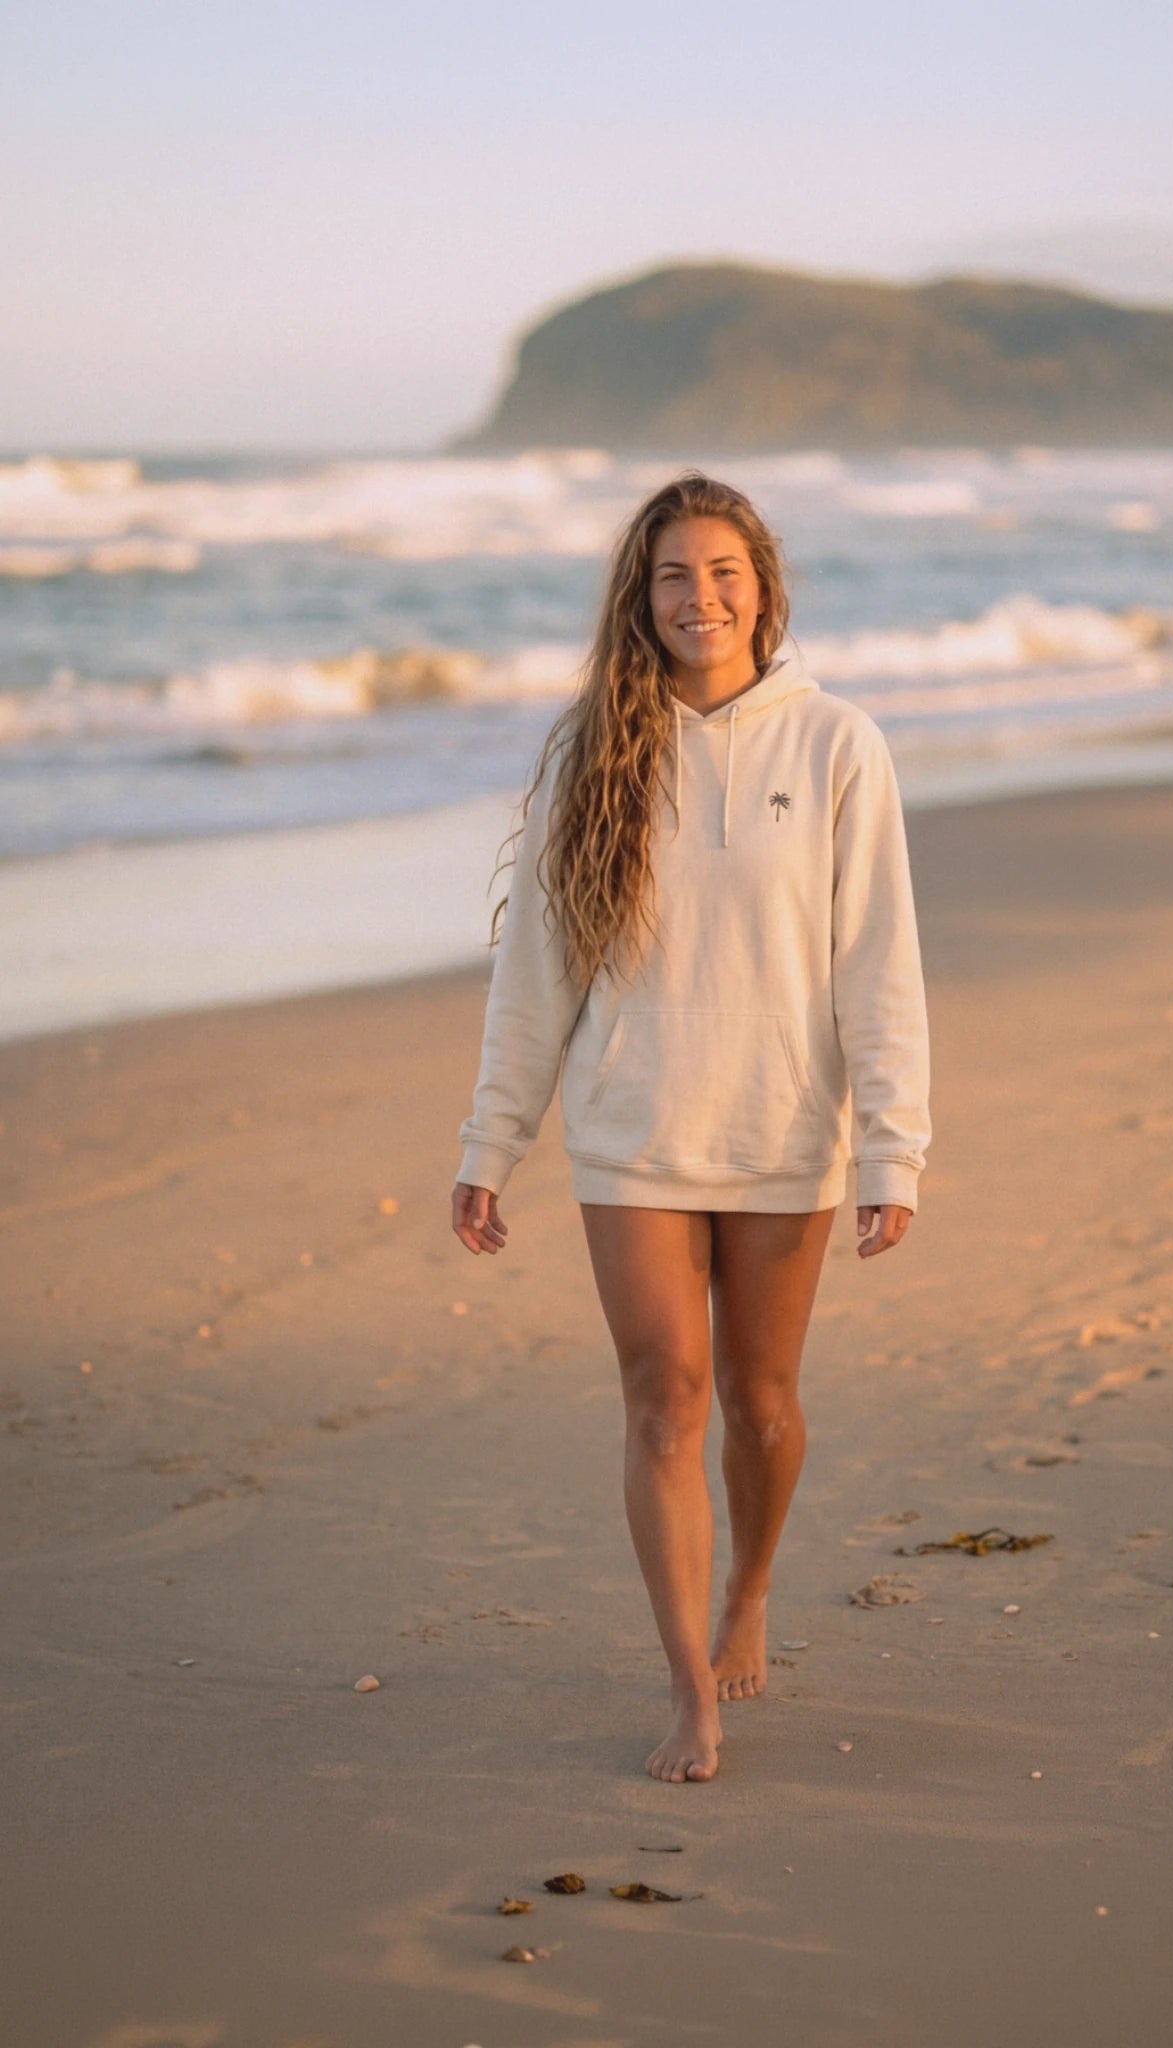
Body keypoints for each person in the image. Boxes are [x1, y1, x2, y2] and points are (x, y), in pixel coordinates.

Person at [451, 471, 930, 1784]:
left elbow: (877, 956)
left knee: (761, 1404)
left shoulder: (837, 743)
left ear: (762, 589)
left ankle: (751, 1585)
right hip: (631, 1129)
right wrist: (490, 1143)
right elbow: (535, 972)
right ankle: (686, 1694)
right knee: (663, 1395)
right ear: (640, 597)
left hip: (785, 1127)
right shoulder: (594, 750)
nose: (699, 597)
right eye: (673, 576)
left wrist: (893, 1143)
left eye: (723, 573)